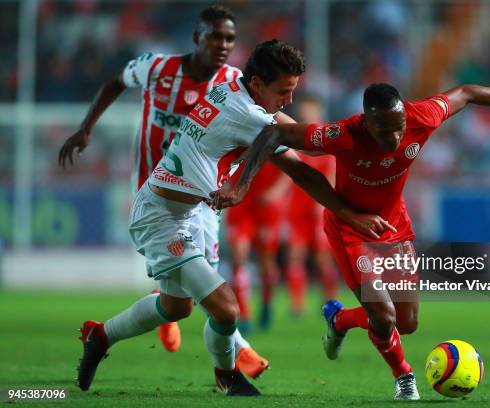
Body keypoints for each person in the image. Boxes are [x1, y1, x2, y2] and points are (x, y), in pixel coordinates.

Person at [75, 40, 393, 397]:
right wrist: (366, 141)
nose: (288, 100)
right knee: (226, 308)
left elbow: (303, 154)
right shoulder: (249, 116)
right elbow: (305, 158)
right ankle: (227, 376)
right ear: (257, 84)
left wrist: (348, 210)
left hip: (188, 212)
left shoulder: (236, 94)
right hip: (162, 216)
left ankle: (99, 335)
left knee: (175, 306)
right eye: (283, 92)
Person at [212, 83, 490, 400]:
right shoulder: (343, 134)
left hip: (394, 229)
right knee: (383, 314)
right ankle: (404, 376)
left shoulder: (421, 116)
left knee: (405, 323)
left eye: (398, 128)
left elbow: (467, 93)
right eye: (383, 130)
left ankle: (340, 321)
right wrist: (241, 185)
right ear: (366, 122)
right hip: (349, 230)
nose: (394, 137)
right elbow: (275, 134)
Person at [57, 6, 268, 377]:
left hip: (205, 199)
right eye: (214, 35)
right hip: (160, 196)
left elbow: (265, 128)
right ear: (196, 37)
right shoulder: (157, 67)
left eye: (230, 38)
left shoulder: (234, 82)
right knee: (208, 289)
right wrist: (86, 127)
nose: (222, 44)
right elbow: (115, 82)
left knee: (189, 295)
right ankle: (236, 356)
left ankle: (144, 321)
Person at [285, 95, 338, 315]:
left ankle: (330, 302)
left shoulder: (328, 142)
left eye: (311, 110)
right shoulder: (296, 139)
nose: (307, 113)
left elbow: (333, 177)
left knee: (322, 258)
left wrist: (325, 203)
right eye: (304, 110)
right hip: (297, 210)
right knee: (295, 255)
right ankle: (297, 305)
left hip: (319, 210)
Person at [225, 163, 290, 332]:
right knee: (238, 258)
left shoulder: (273, 138)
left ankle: (267, 303)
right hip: (240, 205)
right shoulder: (234, 137)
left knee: (266, 262)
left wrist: (275, 192)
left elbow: (289, 169)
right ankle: (244, 314)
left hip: (266, 207)